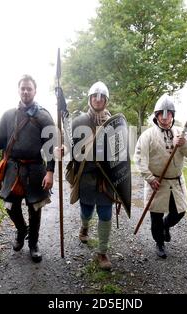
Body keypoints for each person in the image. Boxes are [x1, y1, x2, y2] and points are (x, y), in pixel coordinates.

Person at [0, 74, 55, 263]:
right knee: (10, 205)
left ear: (35, 91)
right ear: (18, 90)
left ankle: (33, 244)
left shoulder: (44, 116)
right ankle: (21, 229)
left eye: (29, 88)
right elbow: (0, 141)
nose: (25, 91)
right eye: (22, 88)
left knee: (35, 208)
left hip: (35, 169)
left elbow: (50, 148)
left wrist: (50, 172)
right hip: (12, 169)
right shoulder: (8, 115)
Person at [133, 93, 187, 259]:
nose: (164, 117)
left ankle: (165, 226)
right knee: (156, 215)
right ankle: (159, 242)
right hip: (157, 182)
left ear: (172, 115)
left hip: (176, 182)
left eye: (168, 113)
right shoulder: (147, 136)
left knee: (179, 212)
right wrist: (149, 178)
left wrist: (184, 144)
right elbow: (139, 159)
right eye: (161, 113)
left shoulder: (181, 133)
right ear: (156, 115)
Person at [69, 81, 115, 270]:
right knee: (87, 210)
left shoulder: (115, 122)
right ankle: (85, 226)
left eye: (101, 96)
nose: (98, 99)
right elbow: (73, 152)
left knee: (105, 214)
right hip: (86, 176)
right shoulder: (78, 122)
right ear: (89, 99)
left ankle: (102, 252)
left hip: (106, 178)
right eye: (95, 96)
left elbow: (120, 154)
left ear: (106, 100)